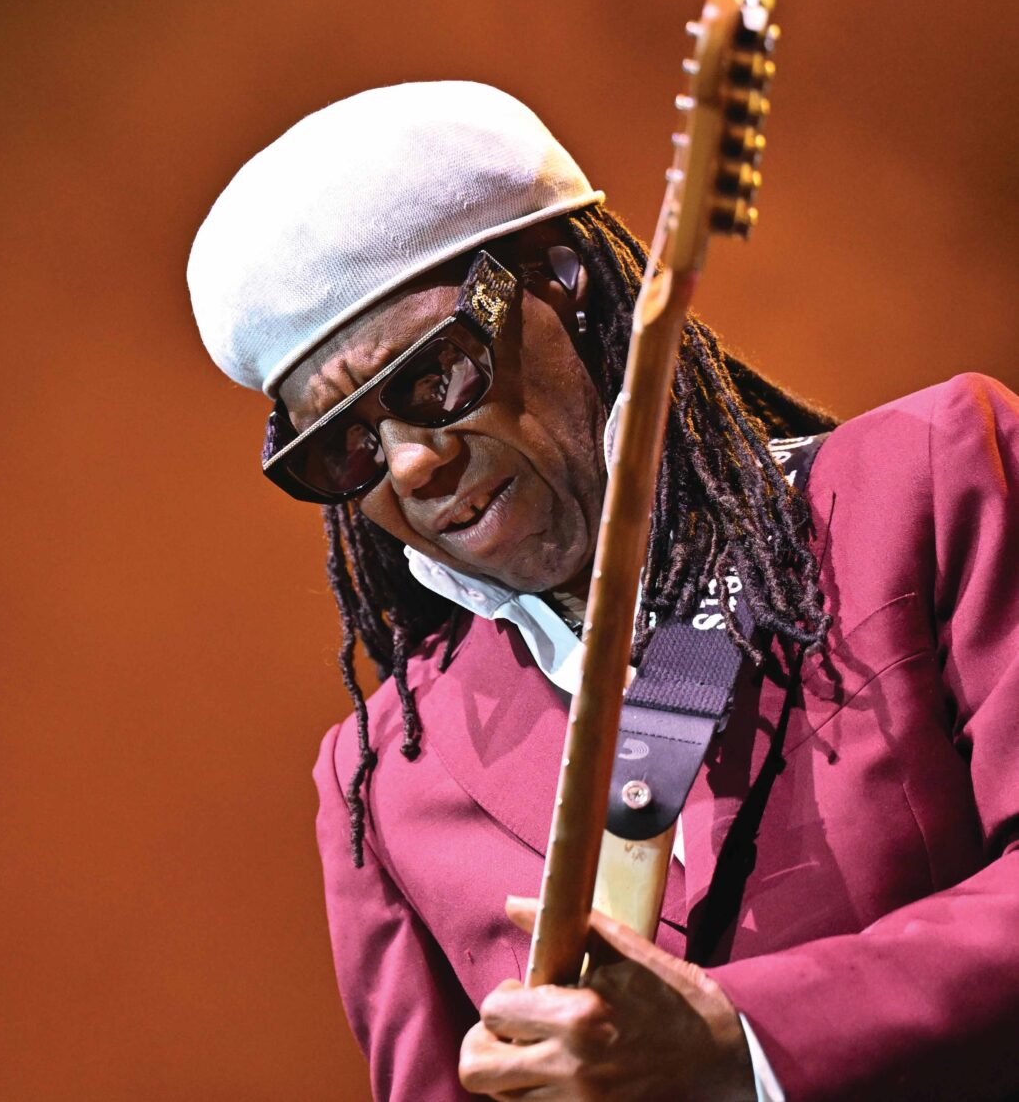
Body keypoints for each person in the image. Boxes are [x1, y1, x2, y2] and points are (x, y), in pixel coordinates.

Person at [186, 81, 1019, 1101]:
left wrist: (748, 1045)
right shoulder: (387, 780)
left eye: (435, 377)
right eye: (347, 447)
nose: (410, 464)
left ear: (567, 282)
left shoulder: (924, 481)